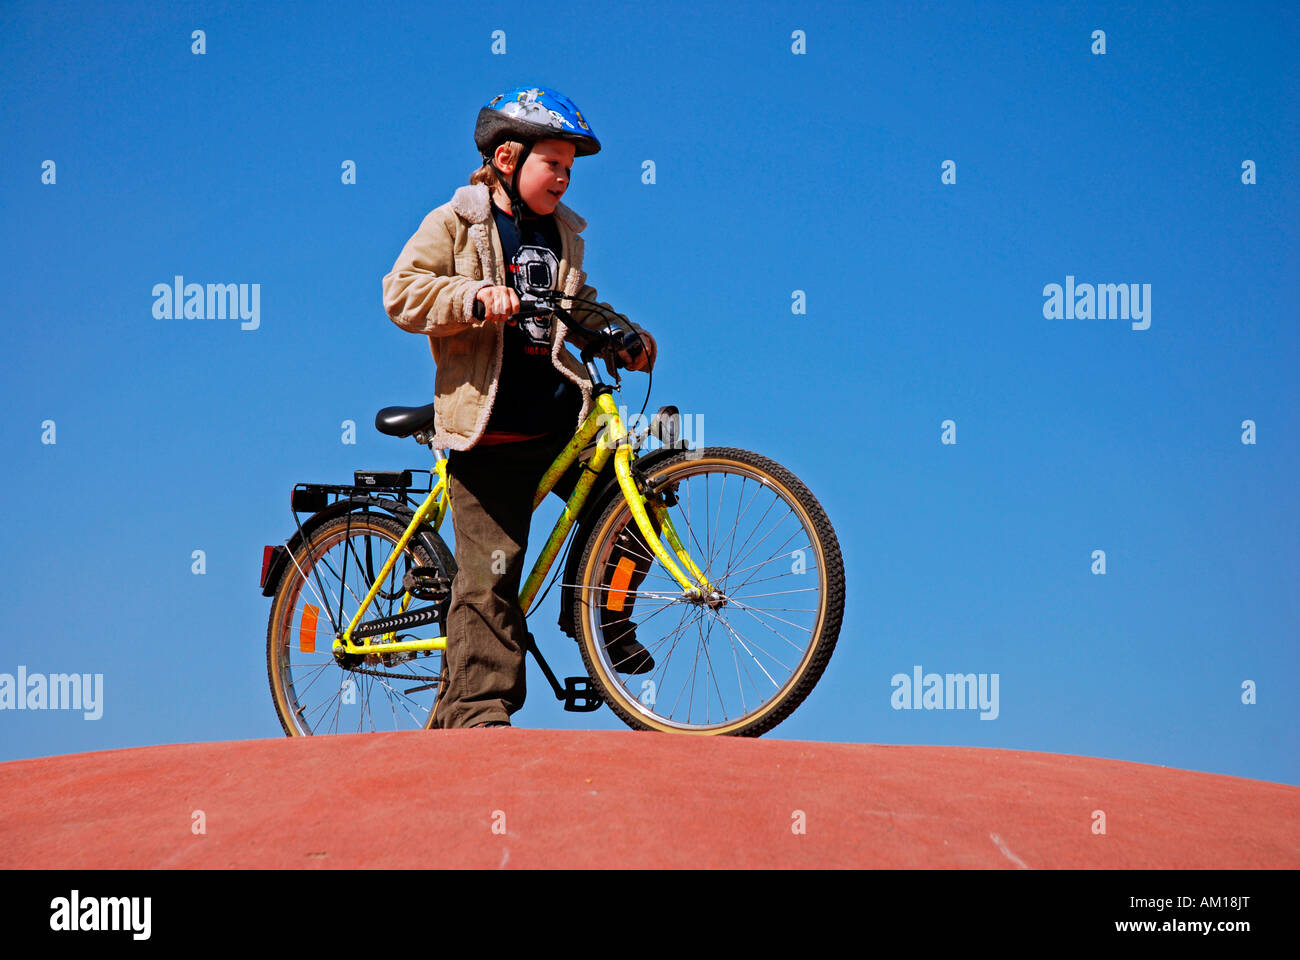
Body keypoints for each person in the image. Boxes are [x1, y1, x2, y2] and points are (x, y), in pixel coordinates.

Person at [382, 86, 660, 729]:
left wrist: (616, 332)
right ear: (508, 157)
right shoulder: (458, 220)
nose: (563, 177)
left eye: (569, 167)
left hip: (559, 423)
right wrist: (476, 297)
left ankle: (601, 619)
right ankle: (476, 712)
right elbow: (403, 292)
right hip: (490, 431)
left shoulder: (559, 235)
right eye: (552, 163)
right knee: (490, 583)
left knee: (637, 513)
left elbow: (575, 303)